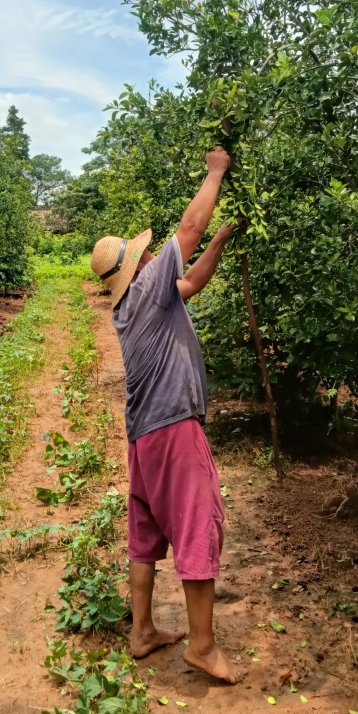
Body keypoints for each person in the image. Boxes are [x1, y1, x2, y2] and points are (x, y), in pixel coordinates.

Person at [90, 146, 245, 684]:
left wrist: (222, 239)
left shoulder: (138, 304)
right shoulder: (149, 290)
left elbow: (194, 281)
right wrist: (215, 172)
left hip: (142, 438)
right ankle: (202, 646)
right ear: (137, 271)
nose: (155, 256)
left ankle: (142, 632)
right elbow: (187, 230)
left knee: (147, 532)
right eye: (146, 255)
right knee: (198, 524)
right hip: (174, 429)